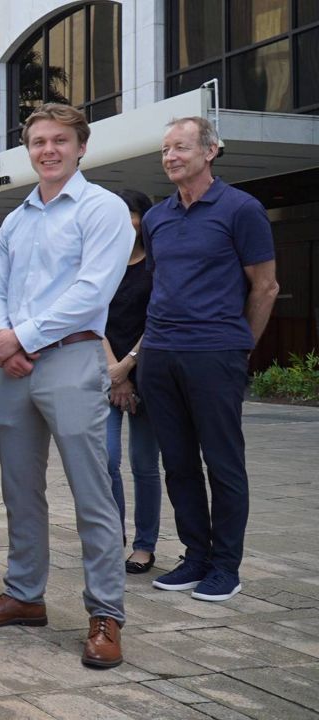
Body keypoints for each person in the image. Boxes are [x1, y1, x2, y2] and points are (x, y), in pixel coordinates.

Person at [0, 104, 133, 670]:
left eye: (60, 140)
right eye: (38, 142)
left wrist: (22, 338)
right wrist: (2, 338)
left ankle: (105, 613)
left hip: (72, 360)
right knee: (19, 489)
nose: (48, 150)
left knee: (92, 492)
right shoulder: (16, 219)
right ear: (28, 149)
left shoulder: (103, 208)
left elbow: (91, 291)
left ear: (81, 147)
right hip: (13, 369)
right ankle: (24, 594)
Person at [142, 117, 279, 602]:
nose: (171, 157)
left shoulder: (242, 209)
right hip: (160, 354)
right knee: (178, 464)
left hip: (215, 353)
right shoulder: (157, 218)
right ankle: (195, 556)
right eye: (165, 149)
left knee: (223, 463)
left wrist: (240, 346)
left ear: (210, 151)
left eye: (180, 147)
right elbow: (160, 284)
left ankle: (226, 567)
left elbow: (266, 287)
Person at [104, 189, 162, 575]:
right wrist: (114, 371)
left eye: (133, 213)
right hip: (105, 372)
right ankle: (112, 538)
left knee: (144, 464)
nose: (126, 221)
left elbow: (157, 318)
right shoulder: (101, 262)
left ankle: (144, 546)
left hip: (146, 371)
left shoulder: (156, 265)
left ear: (144, 219)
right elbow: (91, 317)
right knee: (106, 459)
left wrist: (128, 365)